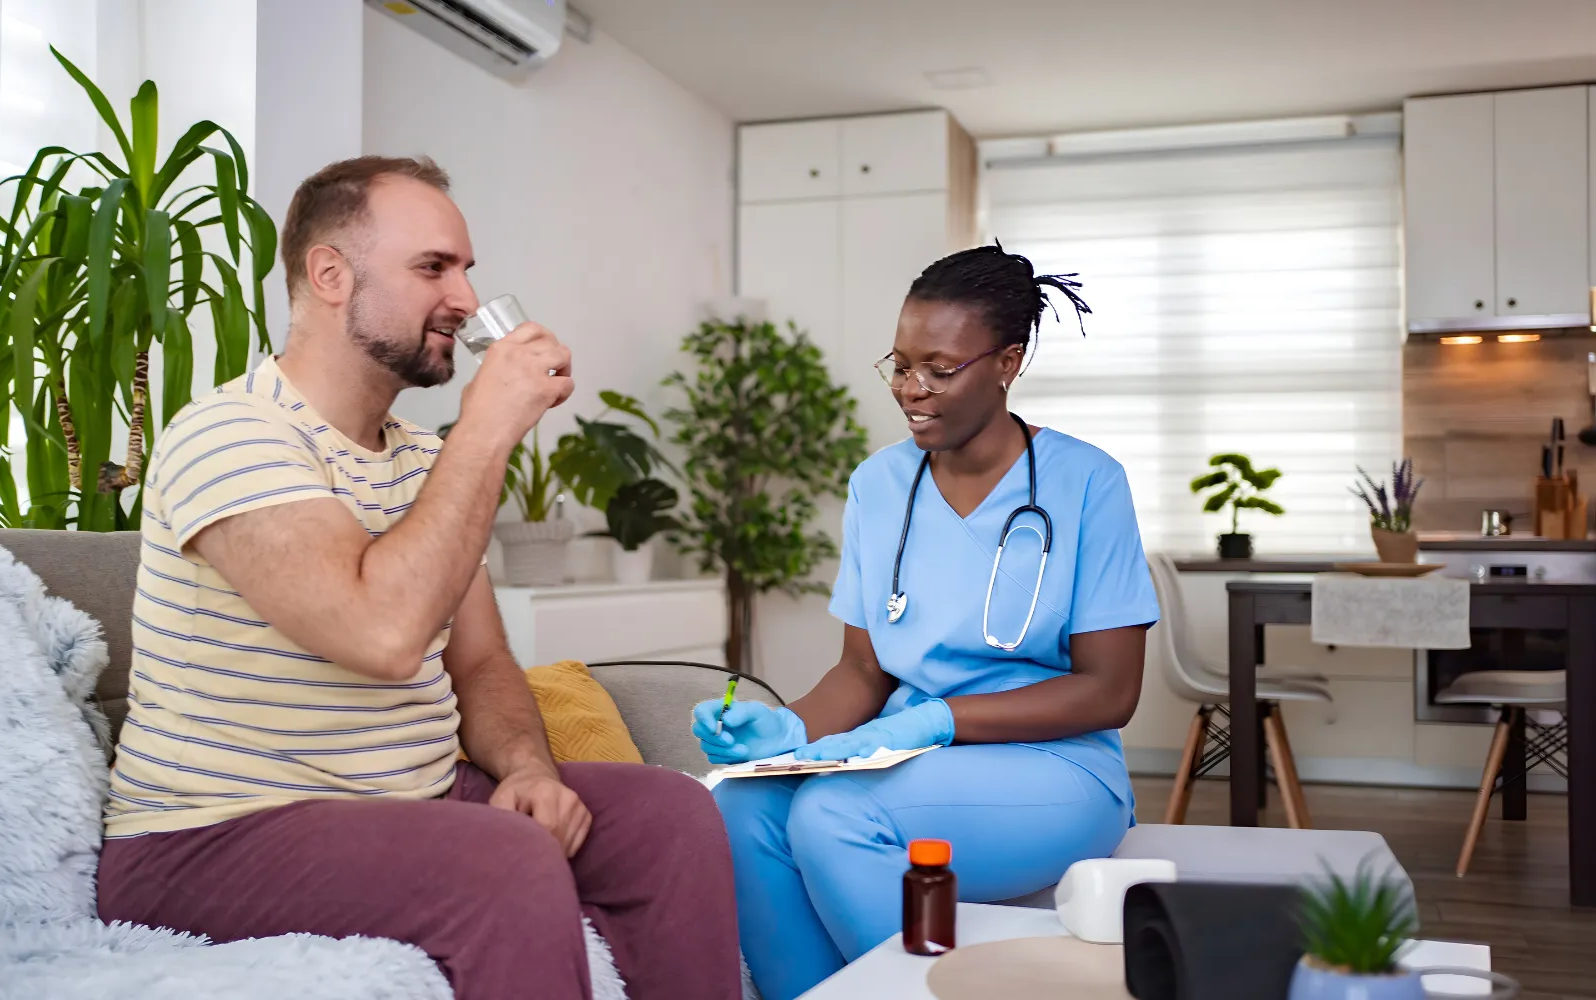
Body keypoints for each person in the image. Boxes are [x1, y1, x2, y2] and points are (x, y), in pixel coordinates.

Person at [95, 156, 742, 1000]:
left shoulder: (422, 461)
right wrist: (488, 426)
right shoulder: (229, 433)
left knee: (671, 816)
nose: (468, 299)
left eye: (467, 269)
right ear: (330, 274)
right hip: (213, 836)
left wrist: (529, 772)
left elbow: (479, 664)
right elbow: (382, 636)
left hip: (419, 802)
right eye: (434, 267)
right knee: (504, 859)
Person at [694, 245, 1160, 1000]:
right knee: (739, 807)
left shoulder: (1086, 483)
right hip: (903, 760)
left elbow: (1111, 693)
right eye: (901, 365)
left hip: (1057, 766)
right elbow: (861, 672)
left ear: (1007, 362)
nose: (912, 390)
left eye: (940, 370)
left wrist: (940, 719)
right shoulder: (879, 485)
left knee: (831, 816)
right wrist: (783, 731)